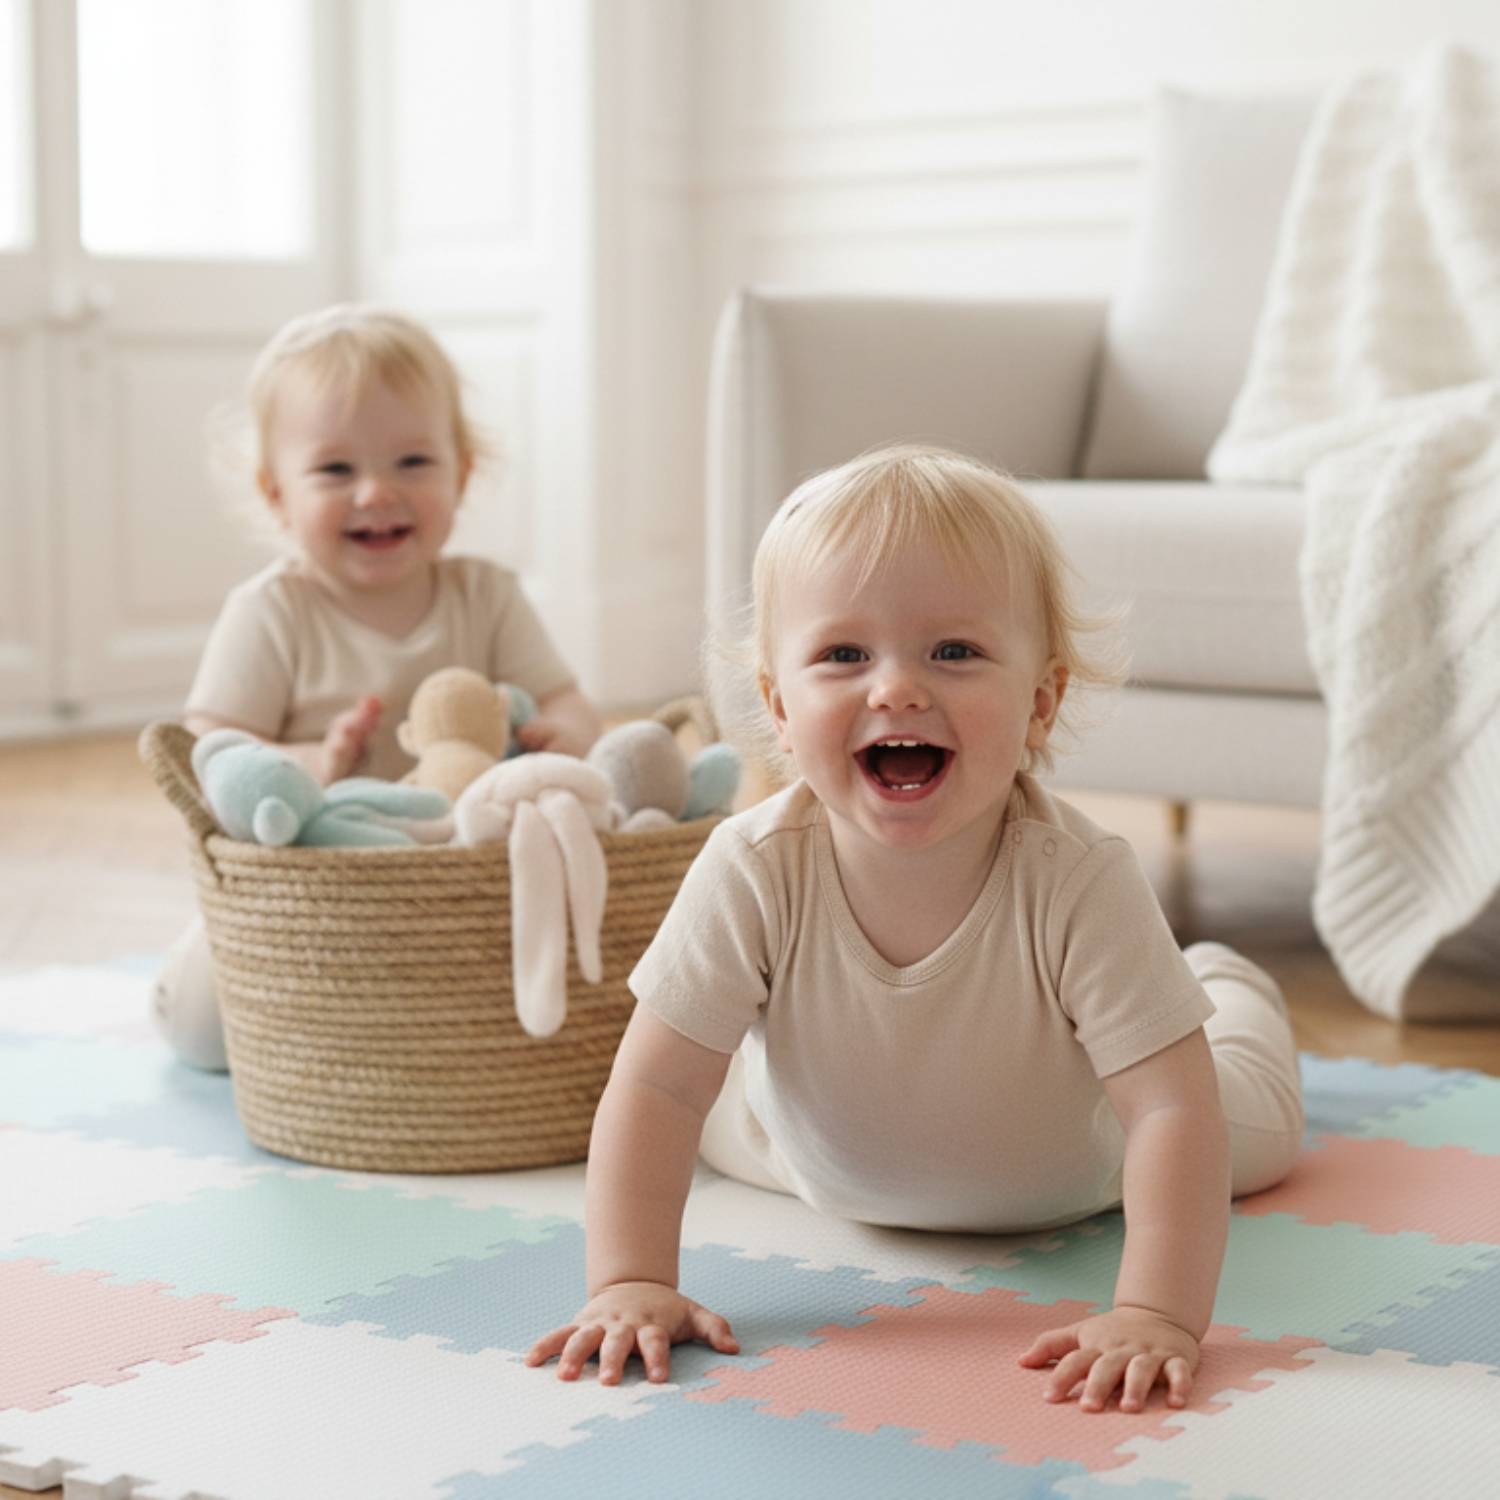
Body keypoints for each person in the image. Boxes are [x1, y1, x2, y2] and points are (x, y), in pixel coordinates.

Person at [526, 445, 1303, 1414]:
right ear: (776, 705)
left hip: (1083, 1169)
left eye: (954, 652)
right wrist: (630, 1280)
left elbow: (1169, 1113)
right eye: (844, 655)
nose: (895, 689)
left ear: (1040, 702)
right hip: (804, 1155)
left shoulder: (1078, 880)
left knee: (1253, 1126)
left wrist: (1157, 1312)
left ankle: (1223, 986)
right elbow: (656, 1083)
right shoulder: (752, 865)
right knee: (702, 1095)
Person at [153, 303, 602, 1070]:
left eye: (412, 463)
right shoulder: (271, 612)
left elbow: (569, 707)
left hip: (460, 885)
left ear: (461, 475)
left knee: (551, 1006)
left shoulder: (486, 596)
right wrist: (313, 760)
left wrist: (560, 735)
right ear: (275, 494)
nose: (375, 492)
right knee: (202, 1029)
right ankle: (184, 991)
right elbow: (209, 758)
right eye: (335, 470)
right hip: (314, 889)